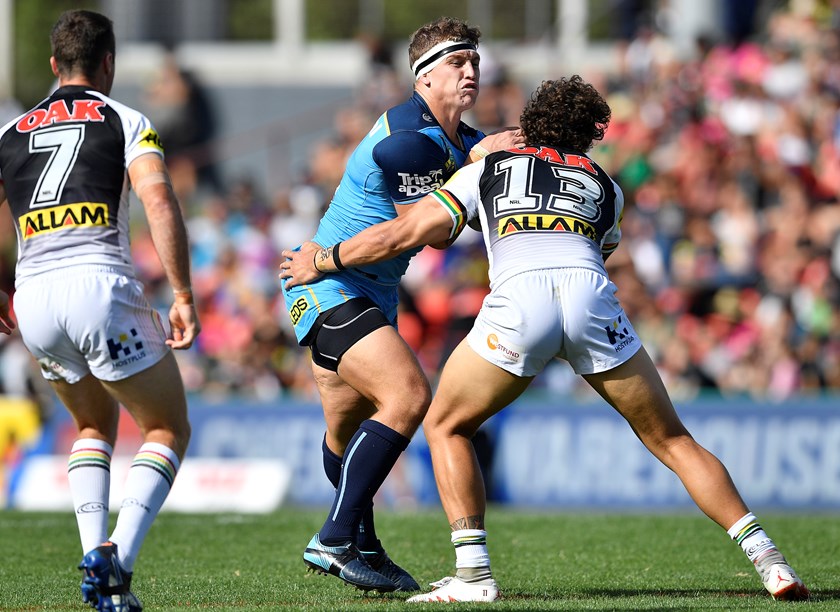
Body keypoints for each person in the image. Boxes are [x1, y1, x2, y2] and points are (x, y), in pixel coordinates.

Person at [279, 76, 810, 603]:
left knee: (445, 425)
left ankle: (473, 575)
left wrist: (322, 260)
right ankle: (770, 560)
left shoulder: (486, 167)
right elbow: (600, 249)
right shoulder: (607, 186)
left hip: (521, 300)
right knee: (673, 440)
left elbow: (404, 232)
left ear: (529, 124)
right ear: (591, 134)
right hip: (590, 297)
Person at [279, 17, 523, 593]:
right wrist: (477, 163)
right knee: (409, 396)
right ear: (424, 77)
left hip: (368, 288)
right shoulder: (410, 139)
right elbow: (429, 232)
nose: (470, 71)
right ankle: (334, 538)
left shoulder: (455, 137)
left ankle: (363, 545)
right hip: (331, 281)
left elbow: (473, 162)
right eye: (456, 62)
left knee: (346, 431)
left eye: (474, 61)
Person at [0, 10, 200, 612]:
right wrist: (183, 294)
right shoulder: (124, 119)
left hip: (33, 297)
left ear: (54, 64)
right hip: (98, 284)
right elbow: (158, 201)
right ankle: (120, 558)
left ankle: (94, 559)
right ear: (108, 62)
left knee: (91, 426)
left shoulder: (10, 133)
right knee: (165, 428)